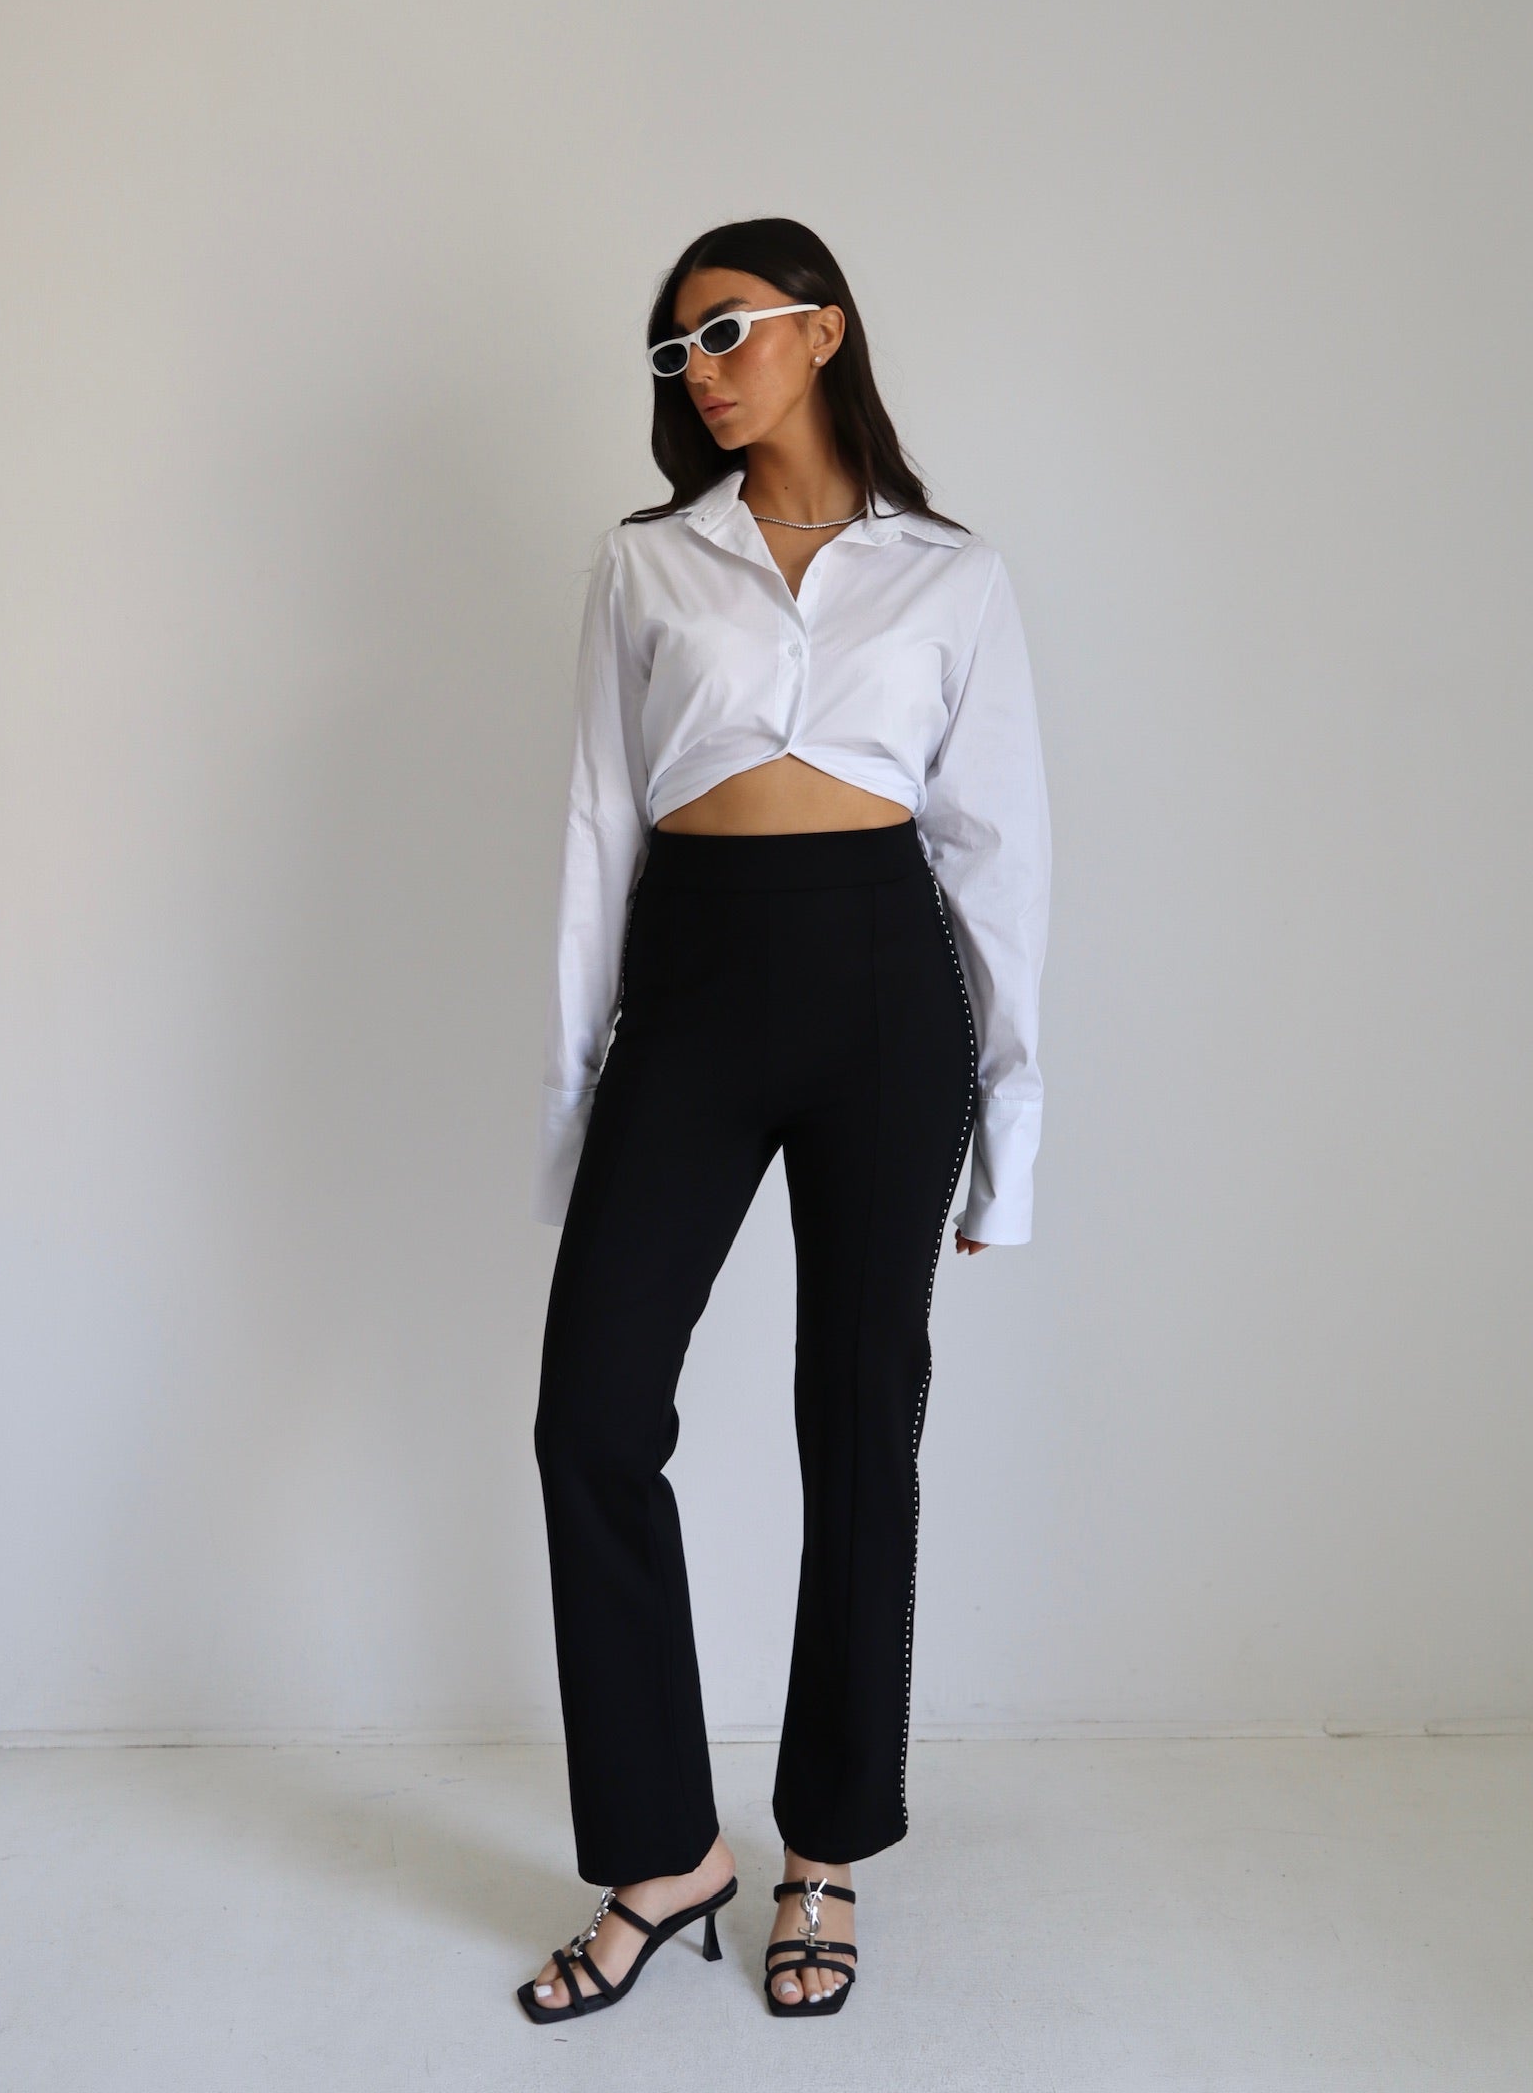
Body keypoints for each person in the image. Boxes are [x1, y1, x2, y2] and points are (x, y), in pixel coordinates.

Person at [519, 217, 1050, 2024]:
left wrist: (1014, 1131)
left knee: (860, 1422)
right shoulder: (647, 562)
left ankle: (824, 1847)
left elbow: (999, 855)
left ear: (825, 330)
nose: (702, 368)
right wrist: (573, 1101)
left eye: (729, 329)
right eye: (677, 348)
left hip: (885, 991)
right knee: (592, 1417)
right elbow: (598, 833)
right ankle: (666, 1856)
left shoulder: (951, 574)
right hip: (691, 983)